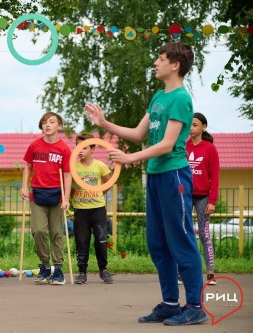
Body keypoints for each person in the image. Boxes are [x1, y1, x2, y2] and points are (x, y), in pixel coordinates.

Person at [85, 42, 207, 325]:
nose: (155, 62)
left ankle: (194, 306)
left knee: (182, 240)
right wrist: (105, 123)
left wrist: (130, 159)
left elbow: (166, 144)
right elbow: (139, 134)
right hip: (155, 176)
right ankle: (169, 303)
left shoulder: (180, 99)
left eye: (160, 58)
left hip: (174, 176)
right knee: (157, 242)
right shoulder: (157, 98)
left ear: (175, 65)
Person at [19, 111, 72, 285]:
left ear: (59, 126)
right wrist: (24, 186)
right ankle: (45, 265)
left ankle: (58, 270)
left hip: (57, 195)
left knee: (56, 232)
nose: (47, 125)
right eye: (44, 122)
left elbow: (67, 175)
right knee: (38, 231)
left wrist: (66, 198)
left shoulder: (64, 148)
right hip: (38, 194)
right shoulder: (34, 146)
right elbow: (27, 167)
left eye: (51, 122)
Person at [71, 132, 113, 284]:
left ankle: (104, 270)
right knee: (82, 241)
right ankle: (82, 272)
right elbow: (69, 187)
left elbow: (108, 182)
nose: (80, 150)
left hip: (98, 209)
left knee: (101, 239)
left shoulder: (99, 165)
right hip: (80, 210)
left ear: (93, 149)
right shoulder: (73, 167)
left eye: (84, 147)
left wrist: (97, 193)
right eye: (78, 147)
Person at [186, 112, 219, 285]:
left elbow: (215, 176)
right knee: (183, 233)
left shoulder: (210, 148)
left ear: (203, 127)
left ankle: (210, 274)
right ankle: (182, 272)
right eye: (189, 125)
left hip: (203, 198)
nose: (191, 128)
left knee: (204, 235)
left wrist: (212, 201)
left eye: (195, 125)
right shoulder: (184, 146)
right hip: (185, 196)